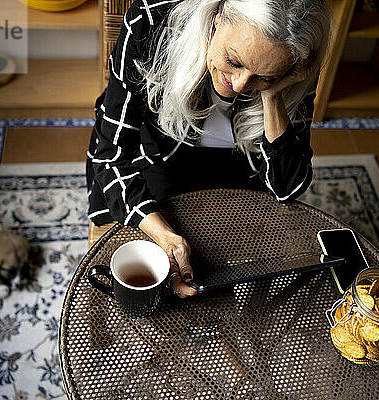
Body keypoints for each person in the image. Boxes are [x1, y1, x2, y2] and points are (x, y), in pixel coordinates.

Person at [86, 0, 331, 298]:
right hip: (161, 156)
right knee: (161, 280)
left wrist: (273, 95)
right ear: (218, 15)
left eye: (263, 76)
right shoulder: (150, 23)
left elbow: (287, 188)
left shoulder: (294, 50)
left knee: (248, 285)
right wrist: (164, 235)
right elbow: (110, 154)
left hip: (243, 169)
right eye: (234, 60)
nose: (240, 85)